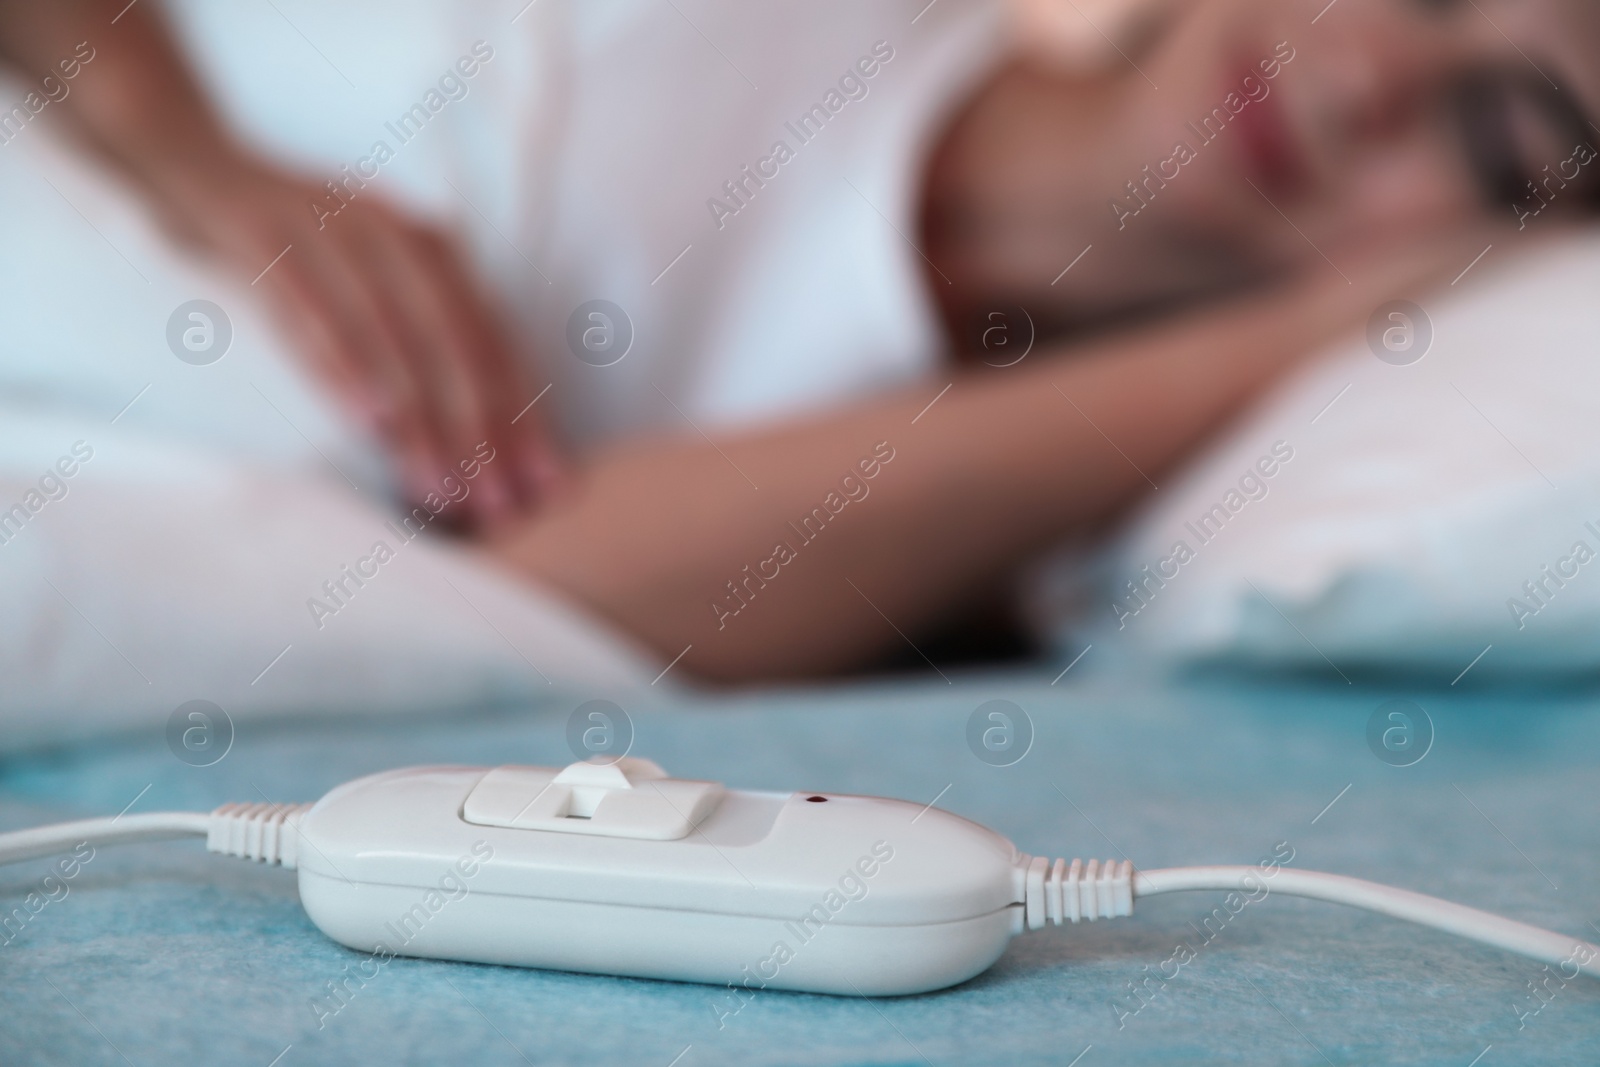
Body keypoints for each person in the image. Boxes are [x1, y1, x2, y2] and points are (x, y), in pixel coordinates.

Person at [2, 0, 1597, 683]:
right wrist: (192, 155)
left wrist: (1325, 329)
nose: (1372, 70)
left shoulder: (1000, 525)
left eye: (1499, 137)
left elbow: (502, 604)